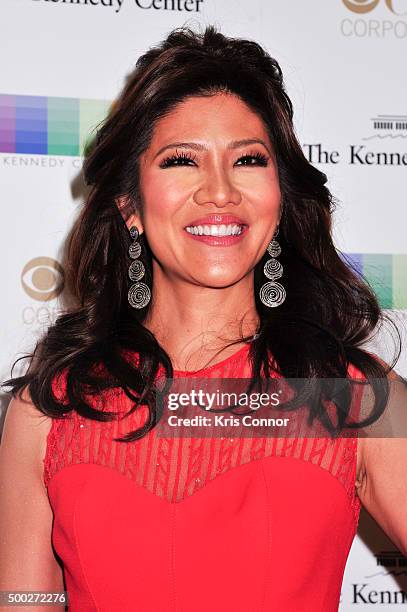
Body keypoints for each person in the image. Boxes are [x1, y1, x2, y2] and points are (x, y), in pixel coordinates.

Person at [0, 24, 406, 612]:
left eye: (247, 159)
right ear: (129, 206)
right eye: (181, 160)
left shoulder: (362, 400)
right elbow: (23, 600)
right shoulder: (48, 409)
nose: (219, 191)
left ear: (280, 195)